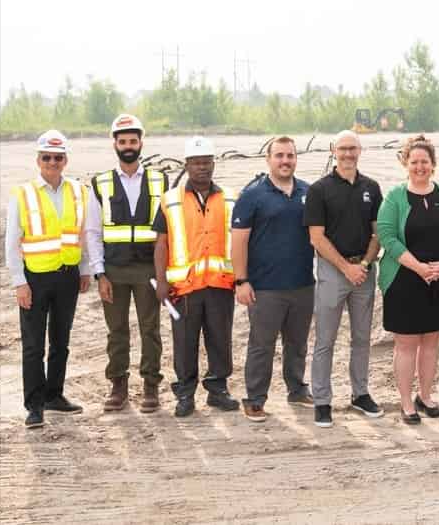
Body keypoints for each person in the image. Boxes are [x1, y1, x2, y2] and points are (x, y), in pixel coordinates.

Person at [6, 130, 92, 428]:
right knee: (33, 345)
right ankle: (35, 405)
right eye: (47, 157)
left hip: (67, 276)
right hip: (35, 279)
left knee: (61, 341)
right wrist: (19, 281)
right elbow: (12, 241)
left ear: (65, 159)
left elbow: (83, 234)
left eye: (58, 157)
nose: (52, 162)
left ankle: (54, 395)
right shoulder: (24, 193)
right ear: (38, 160)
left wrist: (85, 269)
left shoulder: (79, 191)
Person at [85, 114, 168, 414]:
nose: (128, 146)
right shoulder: (100, 183)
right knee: (117, 330)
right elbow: (93, 232)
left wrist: (163, 274)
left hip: (148, 269)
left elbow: (166, 231)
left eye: (133, 141)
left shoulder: (160, 179)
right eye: (123, 141)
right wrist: (99, 274)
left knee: (150, 330)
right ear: (115, 145)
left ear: (141, 143)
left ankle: (150, 386)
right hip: (115, 271)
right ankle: (118, 386)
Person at [377, 135, 439, 424]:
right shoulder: (395, 197)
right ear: (405, 163)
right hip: (403, 279)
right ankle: (405, 402)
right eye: (414, 162)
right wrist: (419, 268)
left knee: (431, 343)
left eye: (424, 161)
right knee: (406, 345)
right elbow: (387, 237)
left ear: (433, 164)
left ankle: (424, 396)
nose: (419, 167)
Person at [152, 136, 240, 418]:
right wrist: (162, 282)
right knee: (184, 343)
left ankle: (217, 390)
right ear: (187, 165)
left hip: (220, 284)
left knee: (219, 339)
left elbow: (239, 241)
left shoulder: (230, 197)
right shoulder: (170, 200)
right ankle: (185, 394)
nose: (202, 168)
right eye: (196, 163)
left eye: (206, 162)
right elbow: (161, 243)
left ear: (214, 164)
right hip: (183, 288)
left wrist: (241, 277)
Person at [232, 136, 315, 423]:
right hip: (265, 287)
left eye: (290, 155)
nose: (285, 161)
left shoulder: (308, 191)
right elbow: (239, 241)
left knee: (297, 343)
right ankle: (255, 398)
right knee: (261, 345)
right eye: (279, 155)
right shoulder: (252, 195)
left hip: (303, 283)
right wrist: (241, 281)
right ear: (268, 159)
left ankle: (296, 388)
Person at [304, 130, 384, 427]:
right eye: (343, 148)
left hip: (363, 271)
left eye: (353, 148)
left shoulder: (372, 188)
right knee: (325, 338)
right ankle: (322, 400)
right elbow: (316, 237)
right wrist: (345, 267)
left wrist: (363, 263)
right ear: (333, 150)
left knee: (362, 338)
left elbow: (378, 232)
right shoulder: (319, 190)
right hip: (331, 271)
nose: (348, 153)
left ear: (360, 151)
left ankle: (360, 394)